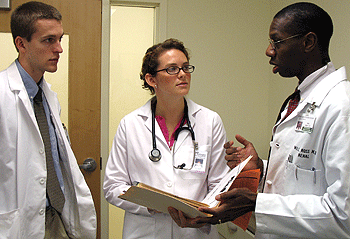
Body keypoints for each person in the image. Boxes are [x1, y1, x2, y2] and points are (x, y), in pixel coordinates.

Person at [170, 2, 350, 238]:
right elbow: (301, 178)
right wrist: (262, 168)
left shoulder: (341, 105)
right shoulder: (298, 100)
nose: (269, 51)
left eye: (276, 42)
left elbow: (343, 215)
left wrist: (255, 203)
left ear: (308, 42)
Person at [103, 38, 229, 238]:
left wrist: (204, 213)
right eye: (172, 69)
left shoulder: (210, 121)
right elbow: (113, 187)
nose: (182, 74)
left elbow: (219, 183)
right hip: (145, 231)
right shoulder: (130, 124)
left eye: (186, 67)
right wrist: (151, 205)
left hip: (194, 232)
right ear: (151, 80)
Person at [0, 2, 96, 238]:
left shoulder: (47, 97)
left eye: (60, 39)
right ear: (21, 44)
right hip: (17, 225)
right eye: (49, 40)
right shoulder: (3, 95)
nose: (59, 49)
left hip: (57, 219)